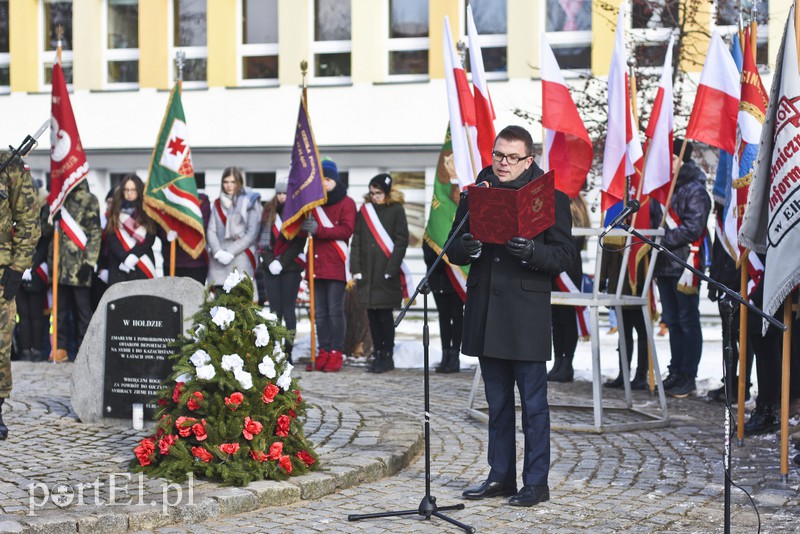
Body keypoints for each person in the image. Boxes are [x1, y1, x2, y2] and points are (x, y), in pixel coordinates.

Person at [447, 126, 576, 507]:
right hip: (487, 311)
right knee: (498, 404)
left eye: (512, 157)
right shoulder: (476, 194)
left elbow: (565, 256)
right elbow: (452, 245)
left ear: (529, 159)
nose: (503, 163)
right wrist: (465, 246)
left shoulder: (551, 198)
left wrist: (532, 251)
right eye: (498, 155)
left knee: (534, 407)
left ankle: (536, 483)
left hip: (524, 316)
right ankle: (500, 475)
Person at [649, 139, 711, 398]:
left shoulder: (694, 188)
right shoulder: (661, 188)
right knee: (672, 322)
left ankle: (688, 374)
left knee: (687, 320)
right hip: (664, 264)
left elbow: (694, 227)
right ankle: (676, 370)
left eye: (670, 157)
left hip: (684, 264)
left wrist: (659, 241)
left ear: (680, 160)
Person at [0, 152, 41, 439]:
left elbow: (28, 218)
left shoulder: (9, 164)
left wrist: (17, 267)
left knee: (0, 343)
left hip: (1, 271)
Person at [351, 173, 410, 374]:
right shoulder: (364, 211)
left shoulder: (396, 210)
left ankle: (387, 355)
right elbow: (357, 239)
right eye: (372, 193)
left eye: (378, 193)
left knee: (385, 317)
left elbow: (402, 241)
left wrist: (391, 269)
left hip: (386, 272)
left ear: (387, 193)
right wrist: (356, 268)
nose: (374, 196)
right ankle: (377, 353)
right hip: (368, 272)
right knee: (372, 316)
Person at [301, 159, 356, 372]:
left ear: (335, 180)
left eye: (328, 179)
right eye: (321, 179)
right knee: (319, 312)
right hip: (315, 263)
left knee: (334, 311)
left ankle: (336, 351)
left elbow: (346, 230)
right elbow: (306, 230)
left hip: (336, 263)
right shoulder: (313, 203)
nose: (324, 183)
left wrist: (319, 230)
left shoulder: (347, 203)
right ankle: (323, 349)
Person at [49, 180, 102, 363]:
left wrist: (89, 262)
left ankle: (84, 347)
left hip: (80, 266)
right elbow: (46, 232)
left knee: (82, 311)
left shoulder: (89, 199)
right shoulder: (58, 200)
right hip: (60, 265)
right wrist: (51, 219)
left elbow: (95, 233)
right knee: (60, 311)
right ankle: (60, 348)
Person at [256, 179, 306, 364]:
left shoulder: (297, 213)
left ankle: (289, 351)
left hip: (291, 267)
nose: (282, 196)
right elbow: (262, 243)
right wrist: (270, 263)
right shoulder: (268, 212)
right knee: (275, 311)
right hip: (271, 269)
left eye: (285, 193)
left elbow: (299, 243)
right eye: (279, 193)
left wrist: (282, 262)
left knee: (289, 310)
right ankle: (276, 349)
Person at [707, 202, 752, 403]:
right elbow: (719, 249)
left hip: (741, 279)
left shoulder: (742, 203)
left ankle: (743, 385)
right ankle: (730, 383)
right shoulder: (723, 213)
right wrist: (713, 281)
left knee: (744, 337)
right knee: (728, 337)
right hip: (723, 279)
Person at [549, 194, 589, 382]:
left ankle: (567, 363)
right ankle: (558, 360)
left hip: (569, 266)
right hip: (553, 264)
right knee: (555, 317)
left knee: (567, 317)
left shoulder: (576, 204)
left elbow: (578, 237)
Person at [207, 167, 262, 295]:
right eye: (226, 182)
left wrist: (230, 252)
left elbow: (252, 233)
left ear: (239, 183)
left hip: (241, 257)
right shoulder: (217, 203)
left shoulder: (250, 201)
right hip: (218, 260)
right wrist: (218, 251)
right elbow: (211, 230)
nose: (229, 185)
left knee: (241, 305)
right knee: (220, 304)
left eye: (233, 182)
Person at [16, 196, 51, 362]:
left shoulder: (40, 223)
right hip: (17, 270)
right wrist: (20, 266)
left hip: (35, 271)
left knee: (36, 315)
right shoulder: (15, 220)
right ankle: (25, 350)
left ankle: (37, 350)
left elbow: (44, 244)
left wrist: (30, 266)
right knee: (23, 315)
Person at [106, 175, 157, 285]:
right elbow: (111, 236)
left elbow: (150, 237)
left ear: (139, 190)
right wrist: (124, 257)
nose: (129, 193)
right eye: (126, 190)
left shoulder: (147, 212)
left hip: (141, 262)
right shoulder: (115, 211)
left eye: (133, 190)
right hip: (120, 265)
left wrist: (133, 256)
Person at [422, 240, 463, 373]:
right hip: (437, 280)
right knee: (443, 317)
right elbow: (428, 257)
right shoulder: (432, 231)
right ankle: (445, 354)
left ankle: (455, 356)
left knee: (457, 316)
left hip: (455, 280)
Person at [158, 192, 211, 284]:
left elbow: (202, 228)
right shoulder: (165, 197)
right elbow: (157, 225)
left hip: (195, 262)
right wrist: (166, 233)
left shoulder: (201, 200)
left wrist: (180, 234)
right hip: (171, 261)